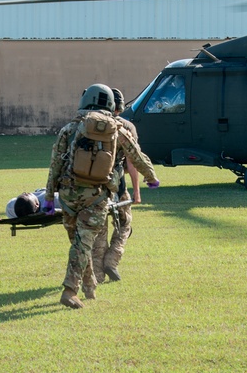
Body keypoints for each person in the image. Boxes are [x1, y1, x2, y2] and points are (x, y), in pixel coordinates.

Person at [44, 84, 160, 309]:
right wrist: (151, 177)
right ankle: (69, 290)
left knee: (79, 243)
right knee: (83, 244)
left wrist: (49, 197)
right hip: (96, 196)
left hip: (68, 195)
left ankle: (89, 288)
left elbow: (55, 165)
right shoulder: (117, 129)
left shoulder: (68, 129)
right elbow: (137, 156)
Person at [93, 88, 140, 284]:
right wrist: (136, 191)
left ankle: (97, 274)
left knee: (99, 230)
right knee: (125, 224)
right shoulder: (126, 127)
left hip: (94, 186)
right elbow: (132, 161)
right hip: (117, 185)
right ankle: (112, 260)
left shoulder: (90, 124)